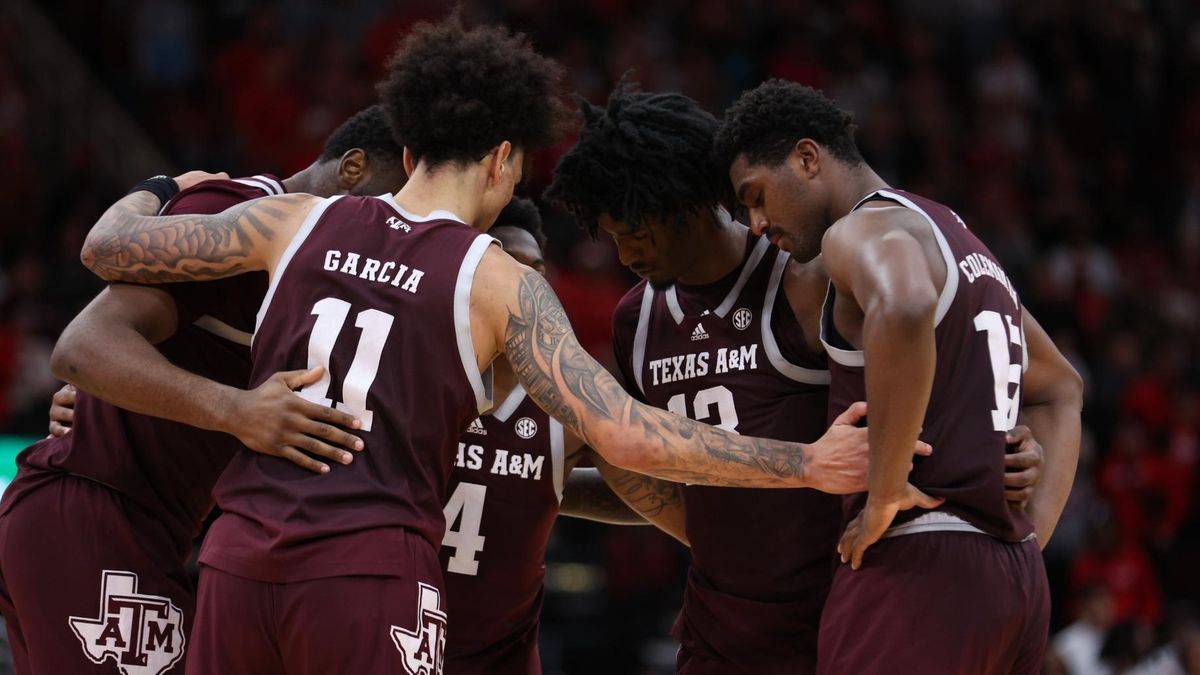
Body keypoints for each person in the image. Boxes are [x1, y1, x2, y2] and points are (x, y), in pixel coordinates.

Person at [78, 21, 875, 675]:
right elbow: (627, 434)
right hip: (367, 569)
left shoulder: (291, 221)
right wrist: (802, 462)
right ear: (501, 157)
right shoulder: (497, 280)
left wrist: (158, 186)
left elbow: (108, 251)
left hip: (237, 562)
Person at [546, 80, 1047, 675]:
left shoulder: (808, 274)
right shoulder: (637, 318)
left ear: (677, 203)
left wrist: (1003, 439)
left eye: (634, 231)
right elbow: (667, 482)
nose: (625, 254)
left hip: (834, 608)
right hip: (720, 629)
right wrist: (547, 489)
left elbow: (960, 341)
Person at [0, 105, 405, 675]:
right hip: (93, 512)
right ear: (353, 169)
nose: (399, 232)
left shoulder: (330, 273)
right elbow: (83, 347)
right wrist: (236, 410)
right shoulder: (236, 210)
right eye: (398, 203)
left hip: (141, 528)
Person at [714, 79, 1085, 674]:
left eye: (756, 195)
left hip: (919, 563)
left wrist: (885, 492)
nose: (756, 223)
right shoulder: (958, 237)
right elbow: (1062, 387)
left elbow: (906, 304)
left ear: (808, 159)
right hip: (1012, 585)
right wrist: (1029, 533)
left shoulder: (858, 231)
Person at [439, 197, 645, 674]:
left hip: (501, 651)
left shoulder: (572, 393)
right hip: (398, 631)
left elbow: (643, 489)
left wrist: (538, 487)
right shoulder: (418, 367)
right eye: (509, 265)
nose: (525, 284)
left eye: (536, 270)